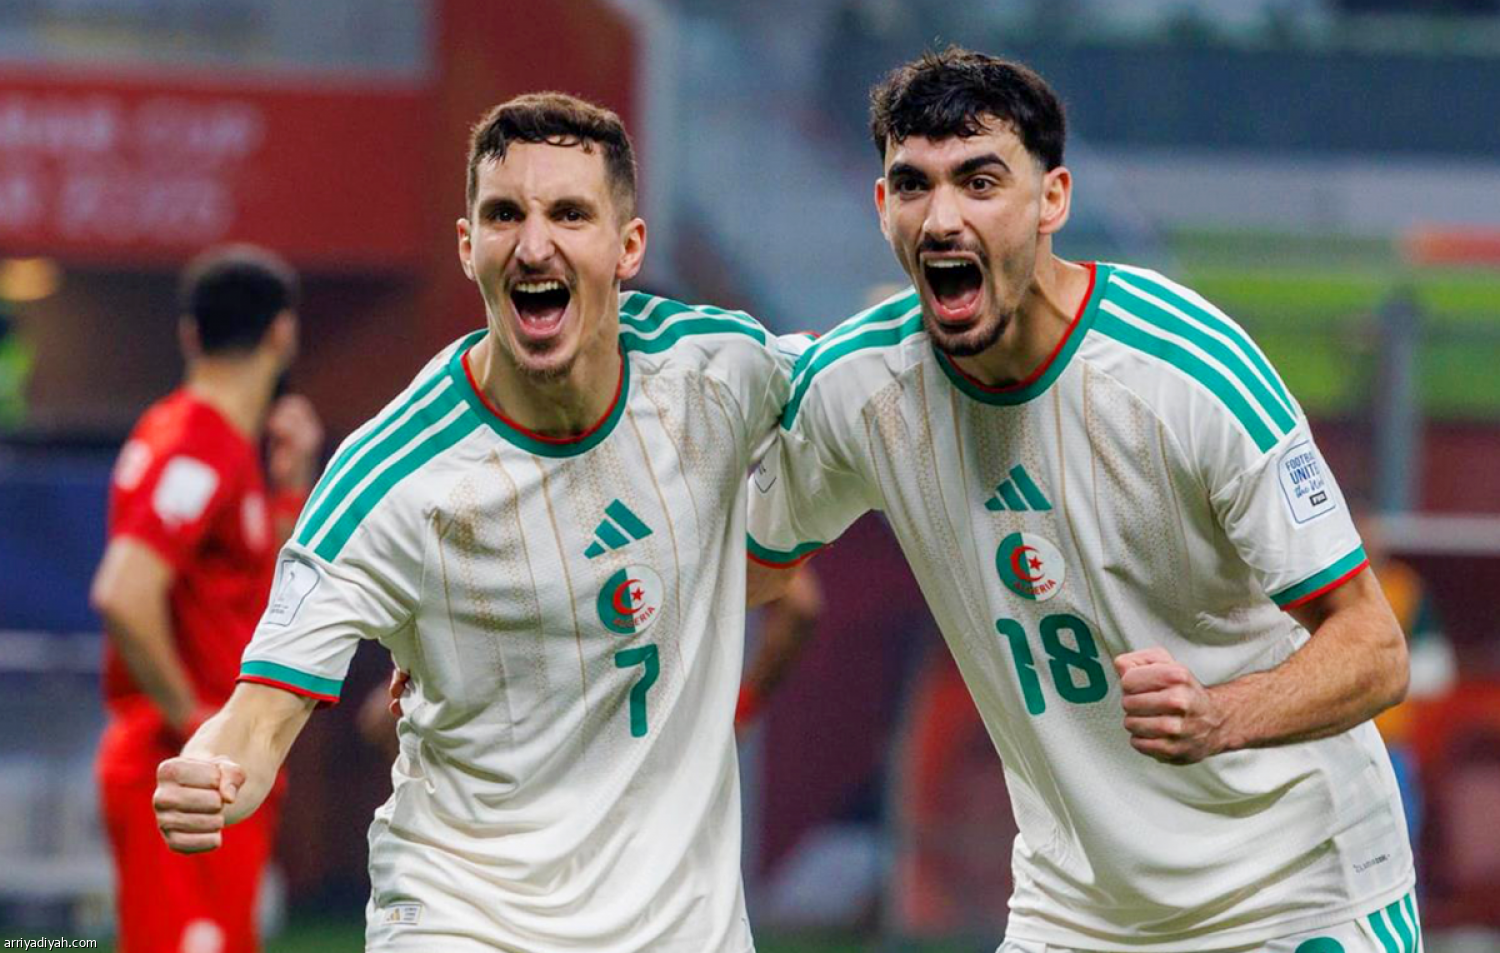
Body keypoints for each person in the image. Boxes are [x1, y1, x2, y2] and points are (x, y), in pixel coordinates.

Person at [746, 48, 1418, 952]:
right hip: (1078, 911)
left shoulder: (1188, 371)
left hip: (1294, 891)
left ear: (1052, 199)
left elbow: (1374, 646)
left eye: (980, 182)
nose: (942, 218)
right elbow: (739, 571)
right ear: (882, 206)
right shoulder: (856, 387)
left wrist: (1220, 715)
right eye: (913, 185)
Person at [152, 92, 804, 952]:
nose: (534, 245)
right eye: (504, 215)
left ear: (629, 246)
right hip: (461, 912)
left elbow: (852, 424)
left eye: (569, 213)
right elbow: (261, 713)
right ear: (468, 247)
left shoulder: (723, 371)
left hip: (680, 926)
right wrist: (213, 768)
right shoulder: (389, 477)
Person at [90, 245, 323, 953]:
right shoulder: (198, 444)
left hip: (210, 775)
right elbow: (124, 593)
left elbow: (249, 589)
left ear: (189, 334)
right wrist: (195, 723)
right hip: (180, 772)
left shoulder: (213, 441)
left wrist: (293, 485)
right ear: (283, 332)